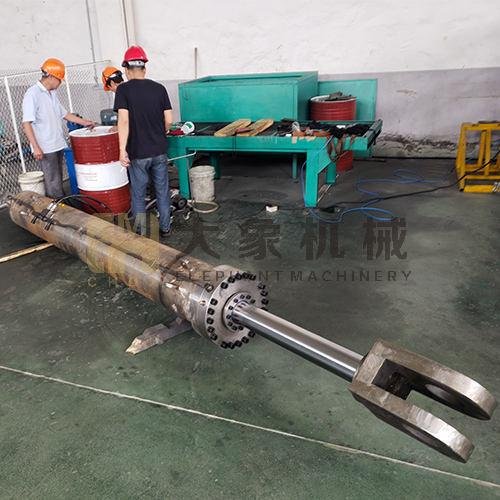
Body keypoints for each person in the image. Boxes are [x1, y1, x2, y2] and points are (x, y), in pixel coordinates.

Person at [114, 46, 173, 238]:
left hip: (138, 152)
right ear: (144, 68)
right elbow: (169, 120)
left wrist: (122, 150)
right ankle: (165, 228)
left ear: (127, 69)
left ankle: (141, 233)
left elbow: (123, 121)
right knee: (162, 191)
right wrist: (161, 132)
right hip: (159, 150)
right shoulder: (159, 88)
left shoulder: (123, 90)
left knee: (138, 194)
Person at [22, 58, 95, 198]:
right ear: (50, 76)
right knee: (52, 182)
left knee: (57, 180)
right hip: (45, 147)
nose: (60, 83)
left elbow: (65, 114)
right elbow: (26, 123)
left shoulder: (52, 93)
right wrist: (36, 147)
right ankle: (56, 207)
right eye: (59, 80)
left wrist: (85, 122)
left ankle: (60, 204)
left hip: (57, 144)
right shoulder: (32, 94)